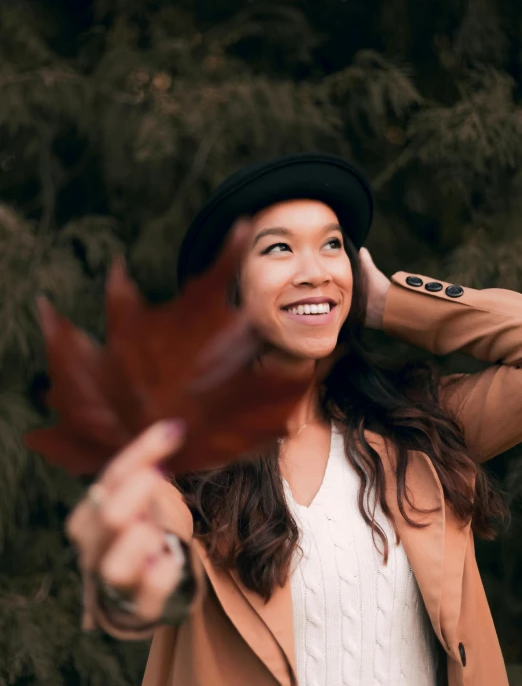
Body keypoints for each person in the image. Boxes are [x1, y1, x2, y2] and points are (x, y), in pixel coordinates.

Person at [67, 153, 522, 686]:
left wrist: (389, 303)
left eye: (332, 245)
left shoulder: (418, 429)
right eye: (280, 247)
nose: (316, 271)